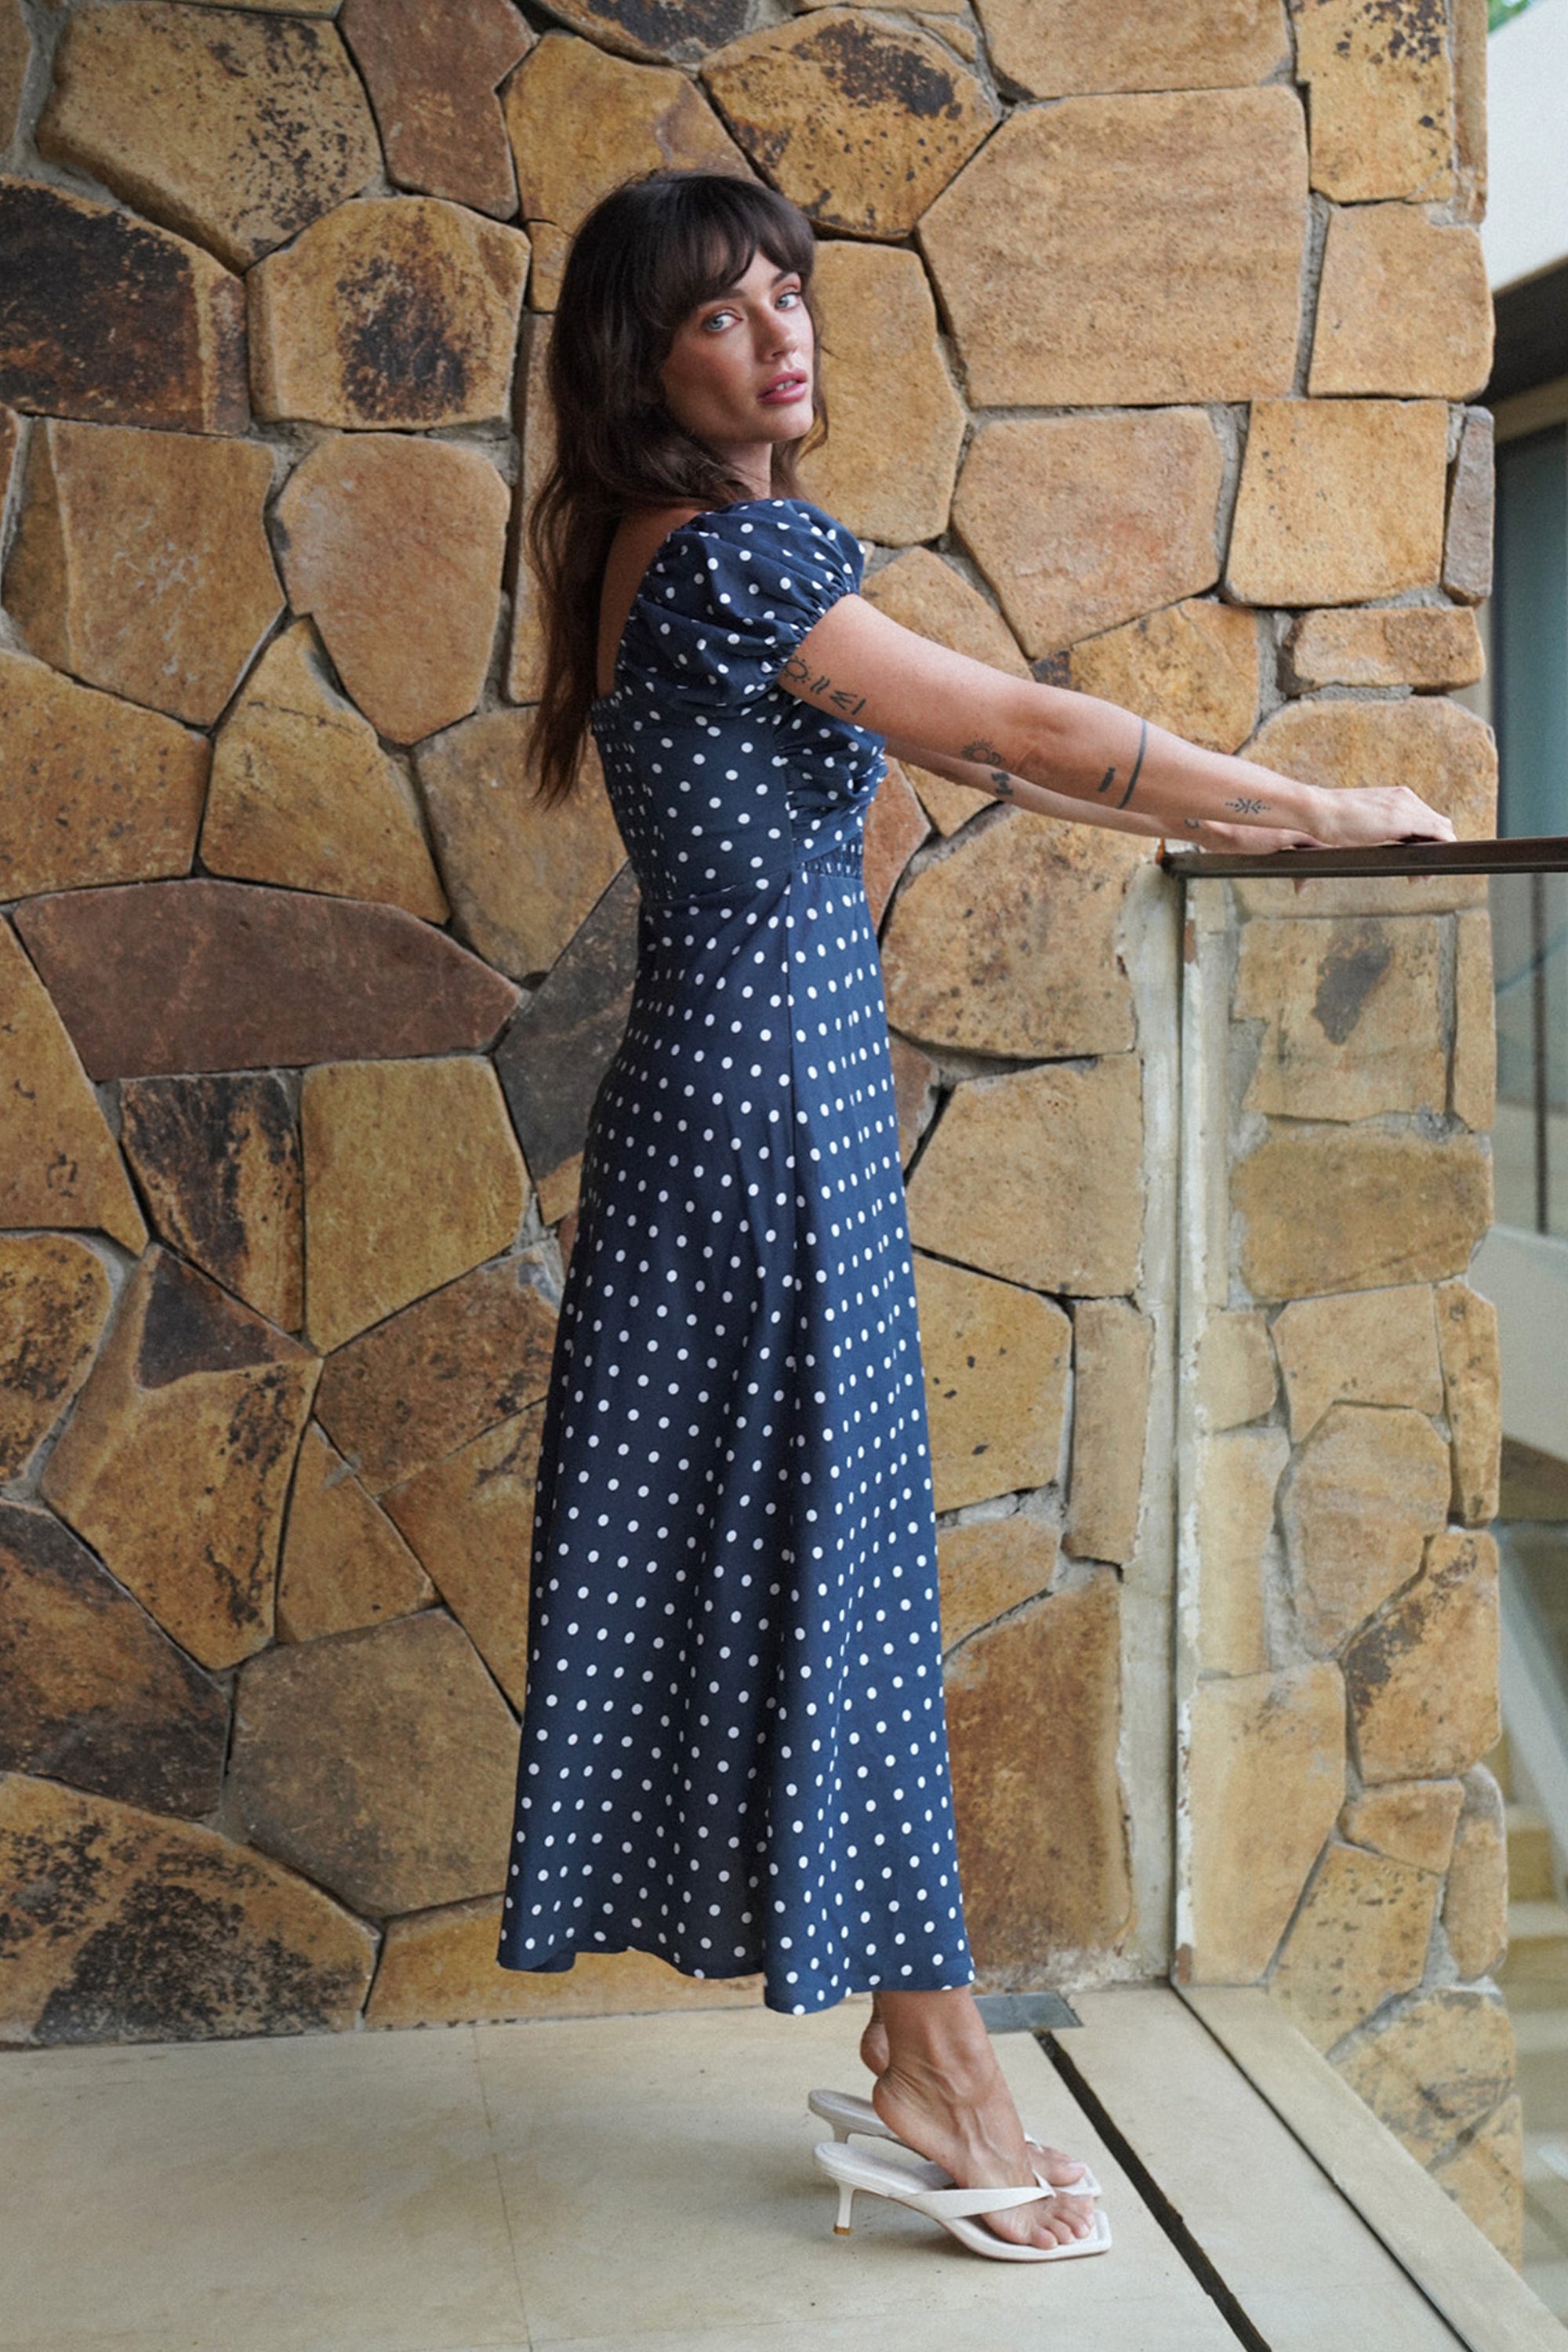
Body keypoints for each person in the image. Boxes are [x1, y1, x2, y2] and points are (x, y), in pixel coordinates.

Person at [494, 167, 1457, 2262]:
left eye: (787, 293)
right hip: (766, 1123)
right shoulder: (733, 556)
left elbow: (1001, 756)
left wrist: (1184, 806)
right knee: (837, 1581)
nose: (781, 334)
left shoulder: (657, 552)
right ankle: (939, 2072)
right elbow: (1016, 725)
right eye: (723, 313)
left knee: (824, 1579)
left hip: (749, 1103)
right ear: (640, 363)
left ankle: (930, 2057)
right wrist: (1311, 804)